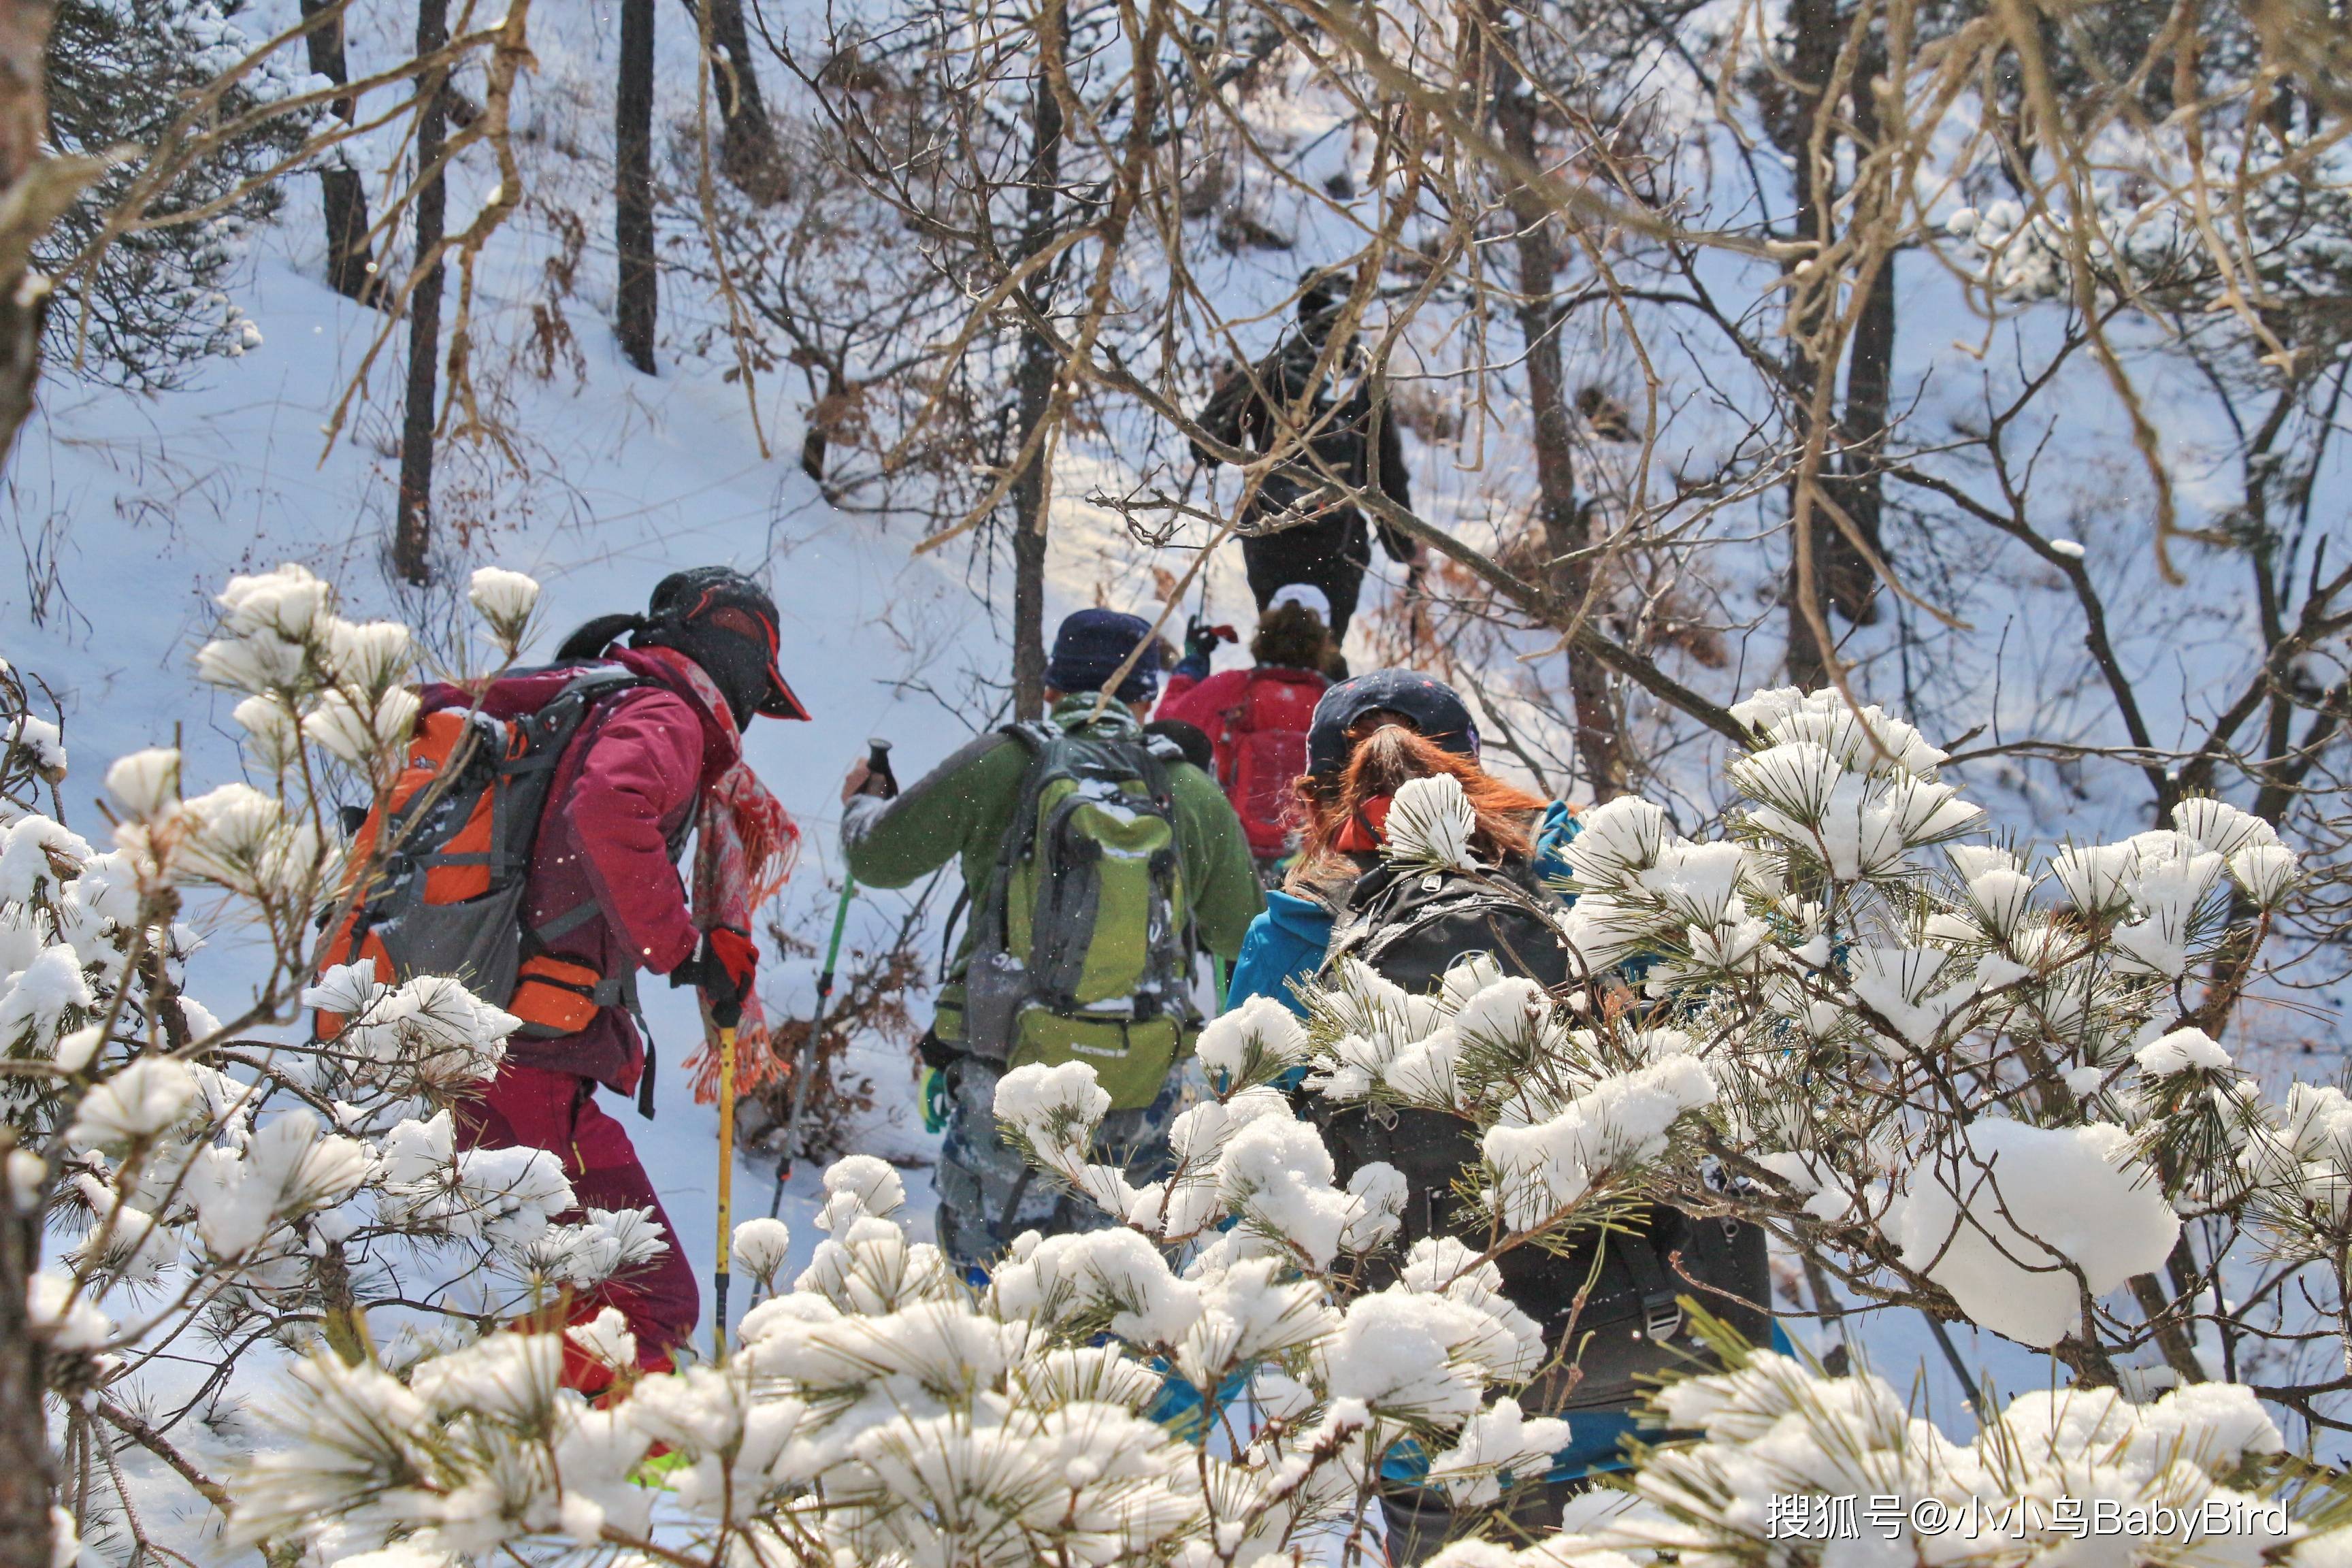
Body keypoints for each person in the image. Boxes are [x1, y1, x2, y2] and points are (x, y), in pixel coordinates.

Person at [451, 568, 804, 1388]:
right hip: (525, 1062)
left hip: (494, 1044)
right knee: (648, 1309)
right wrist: (683, 948)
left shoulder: (597, 695)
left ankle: (485, 1455)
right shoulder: (667, 712)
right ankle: (477, 1447)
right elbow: (609, 808)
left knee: (600, 1298)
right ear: (742, 669)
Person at [838, 610, 1264, 1269]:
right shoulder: (1185, 788)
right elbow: (1241, 929)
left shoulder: (1005, 763)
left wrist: (860, 805)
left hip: (1010, 1070)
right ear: (1146, 698)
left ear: (1051, 690)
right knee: (1126, 1288)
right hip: (1142, 1082)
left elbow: (878, 859)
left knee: (996, 1275)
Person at [1194, 271, 1420, 642]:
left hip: (1268, 534)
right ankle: (1321, 693)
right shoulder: (1364, 386)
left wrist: (1230, 399)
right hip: (1336, 542)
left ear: (1302, 315)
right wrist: (1404, 548)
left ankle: (1271, 691)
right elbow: (1387, 476)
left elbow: (1204, 447)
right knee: (1324, 653)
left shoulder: (1268, 372)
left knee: (1276, 647)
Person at [1155, 583, 1337, 872]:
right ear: (1325, 643)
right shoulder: (1334, 703)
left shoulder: (1231, 689)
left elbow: (1168, 723)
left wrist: (1190, 669)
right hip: (1311, 862)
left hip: (1232, 853)